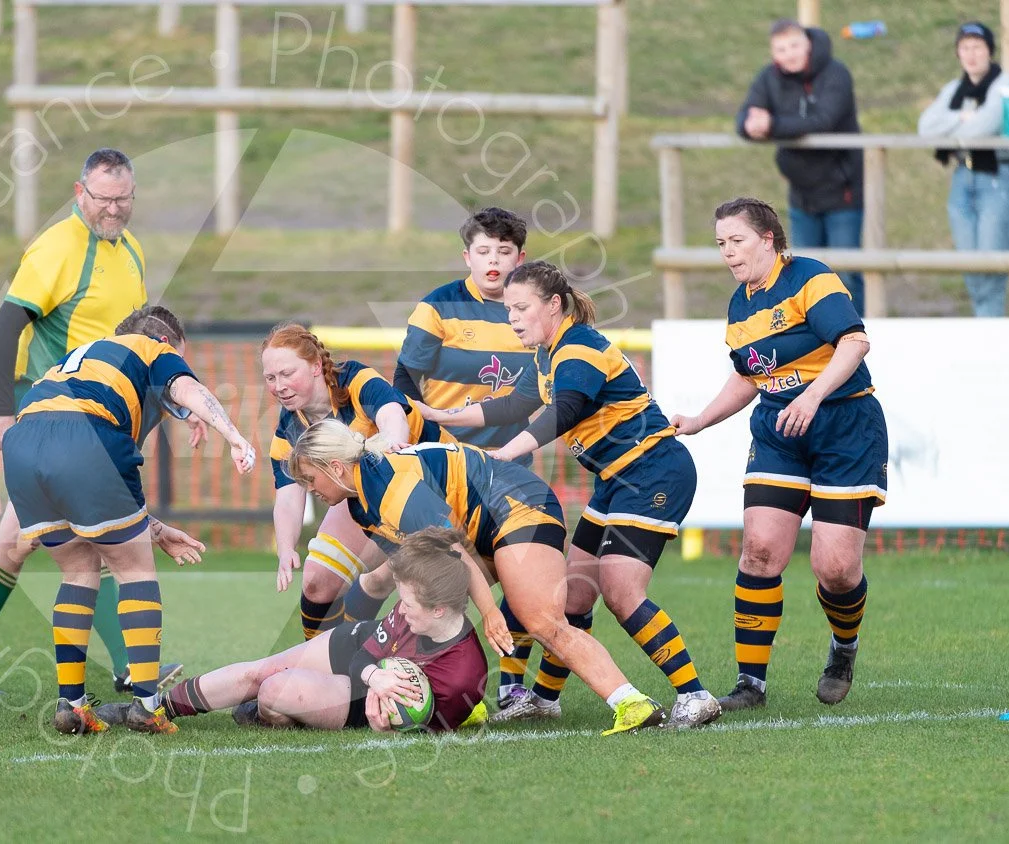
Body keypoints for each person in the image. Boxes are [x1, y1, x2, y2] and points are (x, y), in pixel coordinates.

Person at [415, 261, 720, 728]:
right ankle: (542, 698)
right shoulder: (547, 353)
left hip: (652, 472)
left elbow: (565, 409)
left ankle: (695, 695)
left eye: (521, 308)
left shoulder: (577, 347)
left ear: (554, 305)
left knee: (620, 592)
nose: (512, 317)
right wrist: (442, 416)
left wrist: (507, 451)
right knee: (572, 595)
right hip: (616, 480)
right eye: (508, 309)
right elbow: (516, 403)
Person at [285, 420, 666, 736]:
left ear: (335, 467)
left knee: (539, 619)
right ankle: (467, 706)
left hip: (520, 506)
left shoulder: (392, 492)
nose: (309, 490)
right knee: (423, 604)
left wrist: (489, 612)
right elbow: (418, 570)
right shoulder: (361, 502)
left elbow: (454, 552)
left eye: (309, 479)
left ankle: (631, 702)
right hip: (476, 527)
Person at [0, 147, 180, 697]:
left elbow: (137, 340)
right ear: (79, 192)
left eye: (123, 198)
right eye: (103, 198)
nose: (113, 209)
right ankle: (130, 670)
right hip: (48, 421)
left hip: (93, 426)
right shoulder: (60, 246)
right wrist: (2, 409)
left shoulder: (129, 250)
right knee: (88, 541)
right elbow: (8, 323)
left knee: (26, 543)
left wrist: (174, 402)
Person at [672, 196, 886, 712]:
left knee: (834, 568)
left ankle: (843, 646)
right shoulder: (740, 302)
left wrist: (812, 396)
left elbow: (854, 343)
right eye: (721, 243)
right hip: (779, 431)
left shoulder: (811, 278)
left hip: (844, 426)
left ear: (769, 239)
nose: (728, 252)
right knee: (760, 550)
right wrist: (700, 419)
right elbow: (750, 375)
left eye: (737, 240)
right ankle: (751, 684)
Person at [1, 305, 255, 736]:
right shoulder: (151, 347)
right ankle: (146, 705)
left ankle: (72, 704)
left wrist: (155, 530)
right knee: (134, 571)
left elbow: (105, 493)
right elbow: (188, 389)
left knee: (79, 572)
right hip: (84, 435)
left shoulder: (86, 362)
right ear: (165, 342)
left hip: (21, 445)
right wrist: (233, 435)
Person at [393, 206, 538, 710]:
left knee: (518, 580)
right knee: (430, 580)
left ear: (522, 256)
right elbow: (404, 384)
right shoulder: (437, 309)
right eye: (483, 251)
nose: (493, 261)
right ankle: (405, 676)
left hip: (510, 470)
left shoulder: (534, 310)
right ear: (466, 256)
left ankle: (514, 687)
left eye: (504, 251)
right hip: (445, 472)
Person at [159, 527, 487, 733]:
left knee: (273, 691)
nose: (400, 608)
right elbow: (363, 658)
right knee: (259, 673)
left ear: (439, 609)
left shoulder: (462, 678)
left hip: (363, 699)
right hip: (358, 648)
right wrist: (376, 676)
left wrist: (385, 724)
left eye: (409, 604)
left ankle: (267, 713)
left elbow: (420, 727)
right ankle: (157, 707)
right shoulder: (410, 611)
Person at [263, 322, 448, 640]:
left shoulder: (355, 380)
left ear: (316, 366)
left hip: (433, 486)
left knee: (408, 588)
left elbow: (392, 413)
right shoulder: (288, 429)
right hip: (368, 498)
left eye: (287, 373)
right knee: (317, 580)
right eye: (270, 377)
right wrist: (285, 549)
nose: (279, 385)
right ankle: (322, 662)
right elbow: (288, 495)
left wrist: (392, 445)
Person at [737, 18, 865, 315]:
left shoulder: (836, 73)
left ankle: (853, 339)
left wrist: (772, 125)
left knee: (845, 274)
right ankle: (814, 343)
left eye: (794, 45)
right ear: (772, 53)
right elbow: (745, 119)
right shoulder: (769, 77)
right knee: (803, 274)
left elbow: (824, 121)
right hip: (801, 193)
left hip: (842, 192)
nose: (789, 54)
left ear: (807, 43)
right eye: (781, 49)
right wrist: (752, 124)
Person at [918, 21, 1009, 317]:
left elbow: (981, 129)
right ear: (958, 53)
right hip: (962, 178)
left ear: (990, 51)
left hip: (996, 179)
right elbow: (925, 128)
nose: (971, 55)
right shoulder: (954, 89)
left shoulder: (1005, 87)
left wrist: (956, 122)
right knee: (968, 265)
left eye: (978, 47)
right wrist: (964, 116)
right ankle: (983, 329)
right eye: (965, 48)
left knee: (990, 265)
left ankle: (990, 333)